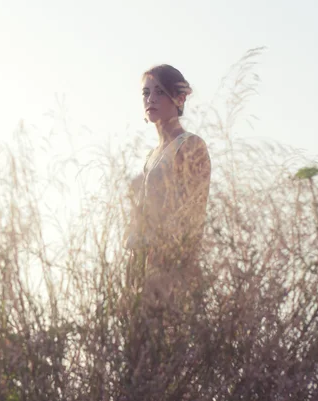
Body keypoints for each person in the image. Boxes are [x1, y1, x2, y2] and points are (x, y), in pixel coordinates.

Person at [121, 64, 211, 398]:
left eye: (160, 91)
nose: (151, 98)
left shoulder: (190, 145)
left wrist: (172, 263)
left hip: (169, 267)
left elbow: (193, 214)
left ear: (179, 97)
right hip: (141, 263)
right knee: (138, 360)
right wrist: (134, 258)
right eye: (146, 92)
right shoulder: (150, 156)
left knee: (166, 358)